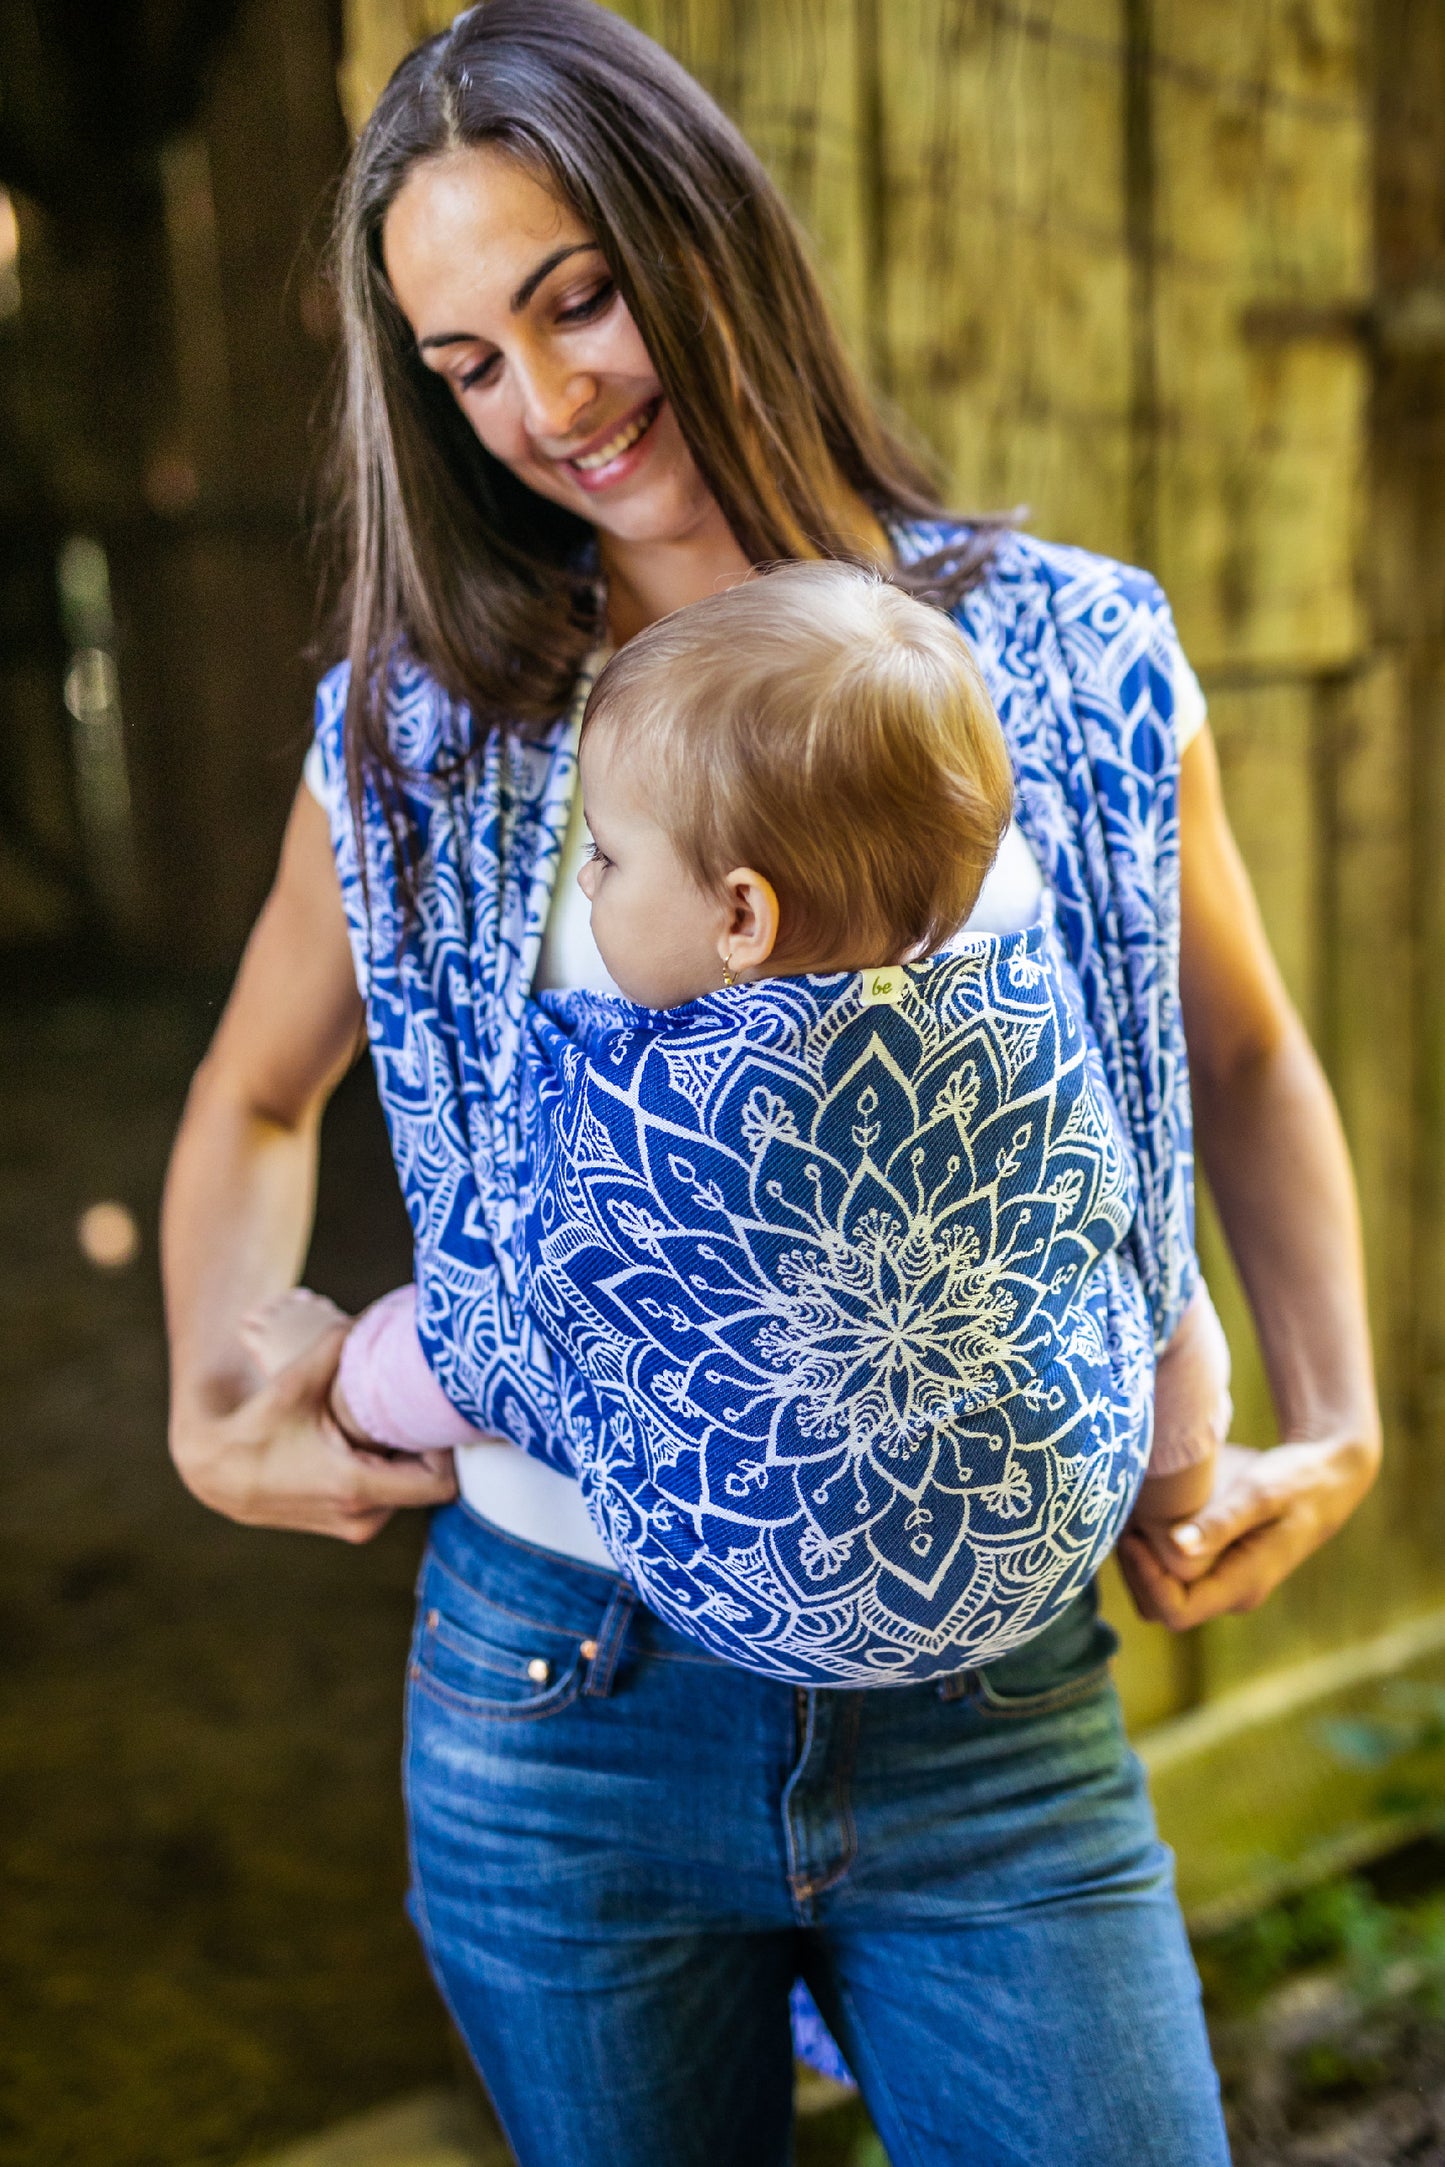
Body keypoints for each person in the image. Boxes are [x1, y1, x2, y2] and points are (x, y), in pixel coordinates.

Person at [161, 5, 1379, 2160]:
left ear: (708, 240)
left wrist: (1334, 1411)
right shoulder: (423, 736)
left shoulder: (1064, 658)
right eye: (463, 364)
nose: (543, 404)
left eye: (575, 297)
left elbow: (1244, 1046)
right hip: (561, 1713)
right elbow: (259, 1099)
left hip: (994, 1724)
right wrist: (212, 1376)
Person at [242, 563, 1225, 1686]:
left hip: (726, 1589)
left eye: (606, 859)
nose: (593, 883)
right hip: (1048, 1550)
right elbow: (1143, 1267)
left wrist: (337, 1367)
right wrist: (1180, 1484)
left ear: (742, 915)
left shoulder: (646, 1121)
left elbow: (498, 1336)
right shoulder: (1021, 1024)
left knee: (541, 1336)